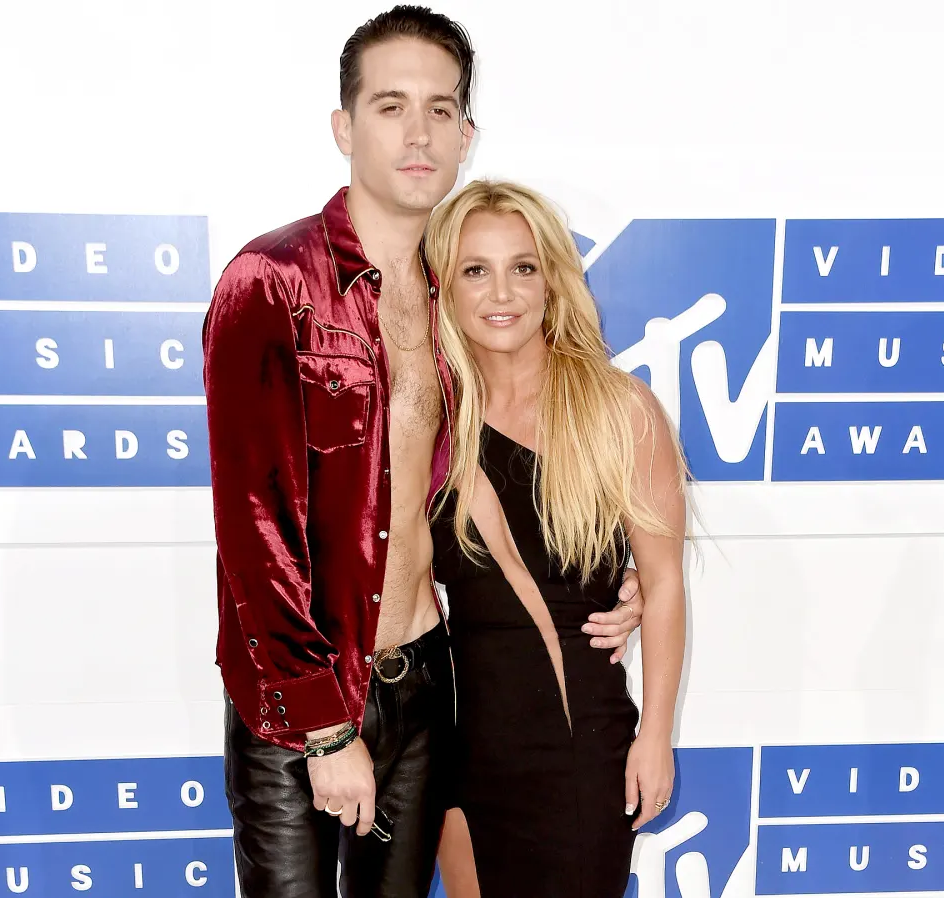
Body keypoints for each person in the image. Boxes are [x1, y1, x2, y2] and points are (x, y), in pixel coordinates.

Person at [202, 8, 646, 898]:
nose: (417, 133)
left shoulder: (462, 293)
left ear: (467, 135)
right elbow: (254, 527)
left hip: (427, 678)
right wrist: (329, 733)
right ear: (344, 127)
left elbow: (536, 437)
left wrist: (616, 565)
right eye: (390, 106)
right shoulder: (273, 282)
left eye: (441, 110)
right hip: (303, 697)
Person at [424, 179, 690, 898]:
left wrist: (655, 735)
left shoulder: (616, 408)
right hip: (462, 741)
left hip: (581, 743)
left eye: (523, 266)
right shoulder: (432, 423)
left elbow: (663, 581)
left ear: (551, 281)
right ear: (445, 287)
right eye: (475, 270)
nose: (500, 291)